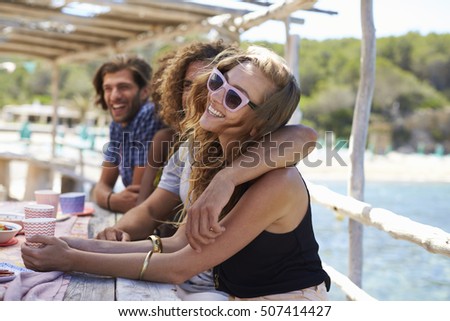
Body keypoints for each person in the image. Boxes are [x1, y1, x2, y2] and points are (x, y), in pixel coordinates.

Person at [22, 45, 330, 301]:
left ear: (258, 123)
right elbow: (175, 243)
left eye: (234, 98)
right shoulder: (210, 157)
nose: (217, 97)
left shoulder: (278, 181)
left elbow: (180, 266)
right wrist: (69, 244)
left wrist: (72, 259)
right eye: (217, 82)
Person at [99, 40, 317, 241]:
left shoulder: (256, 148)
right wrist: (116, 234)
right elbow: (150, 210)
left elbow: (304, 136)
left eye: (233, 97)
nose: (210, 93)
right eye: (215, 82)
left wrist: (226, 178)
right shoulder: (187, 145)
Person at [92, 54, 165, 213]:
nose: (114, 96)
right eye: (108, 88)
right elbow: (101, 186)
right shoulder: (117, 126)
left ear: (145, 91)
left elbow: (134, 198)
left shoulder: (148, 115)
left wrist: (107, 198)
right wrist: (111, 199)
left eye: (123, 87)